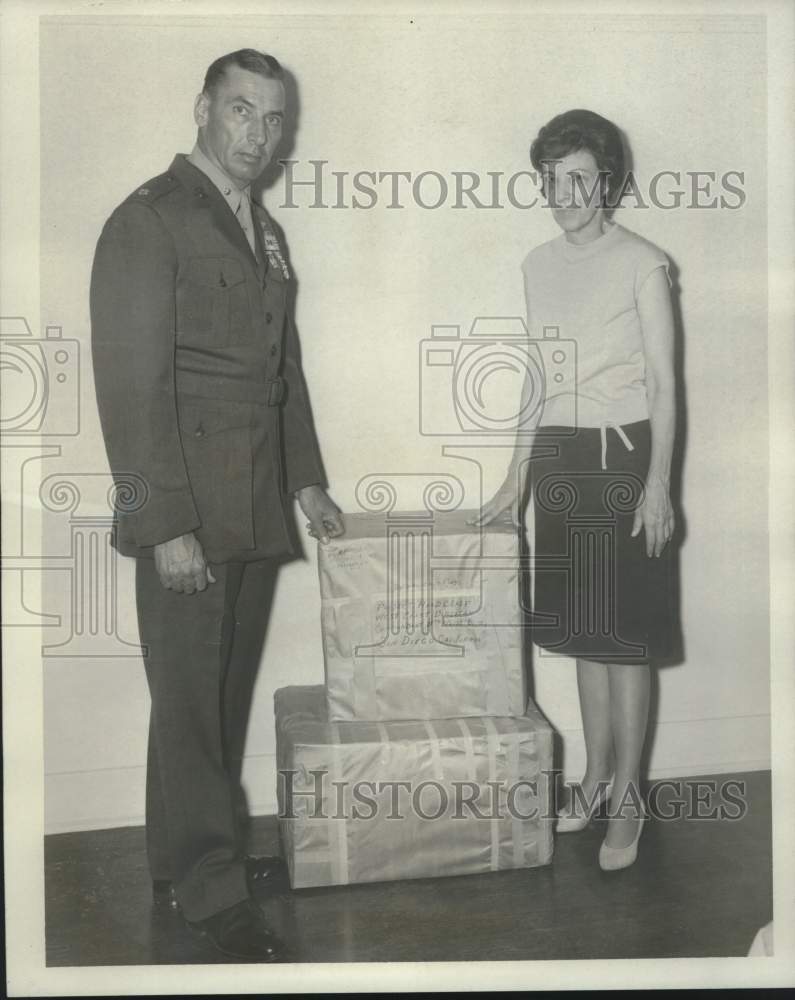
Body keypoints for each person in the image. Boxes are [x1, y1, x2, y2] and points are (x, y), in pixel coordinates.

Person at [90, 49, 344, 960]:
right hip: (188, 507)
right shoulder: (149, 220)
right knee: (192, 698)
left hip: (252, 500)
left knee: (216, 692)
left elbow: (283, 366)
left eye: (274, 121)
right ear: (203, 109)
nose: (259, 136)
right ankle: (211, 893)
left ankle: (189, 855)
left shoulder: (258, 226)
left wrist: (304, 475)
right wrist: (164, 525)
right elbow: (130, 389)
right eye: (242, 113)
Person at [478, 109, 679, 870]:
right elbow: (538, 375)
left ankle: (627, 799)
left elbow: (664, 383)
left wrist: (657, 485)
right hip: (561, 457)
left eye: (576, 179)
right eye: (549, 178)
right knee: (588, 637)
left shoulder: (643, 261)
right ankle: (593, 780)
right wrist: (515, 476)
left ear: (609, 183)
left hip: (622, 459)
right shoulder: (536, 263)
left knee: (624, 646)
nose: (561, 193)